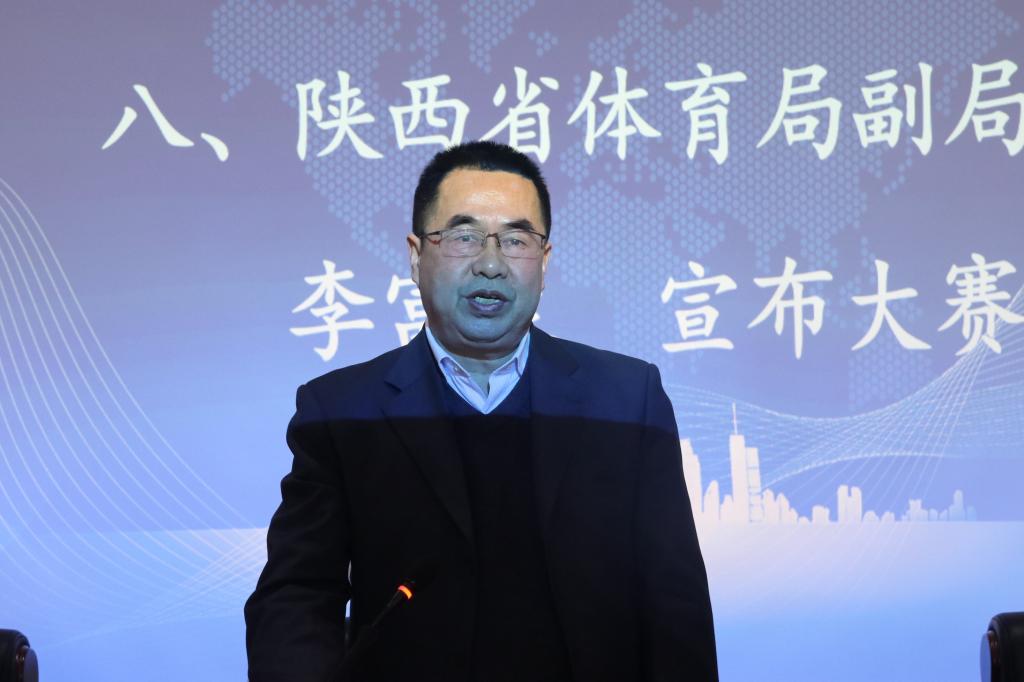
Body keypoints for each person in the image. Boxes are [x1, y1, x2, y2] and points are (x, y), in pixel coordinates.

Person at [245, 141, 717, 681]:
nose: (491, 265)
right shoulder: (342, 411)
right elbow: (298, 593)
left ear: (544, 261)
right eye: (464, 237)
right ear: (416, 255)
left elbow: (674, 601)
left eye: (516, 240)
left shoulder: (626, 398)